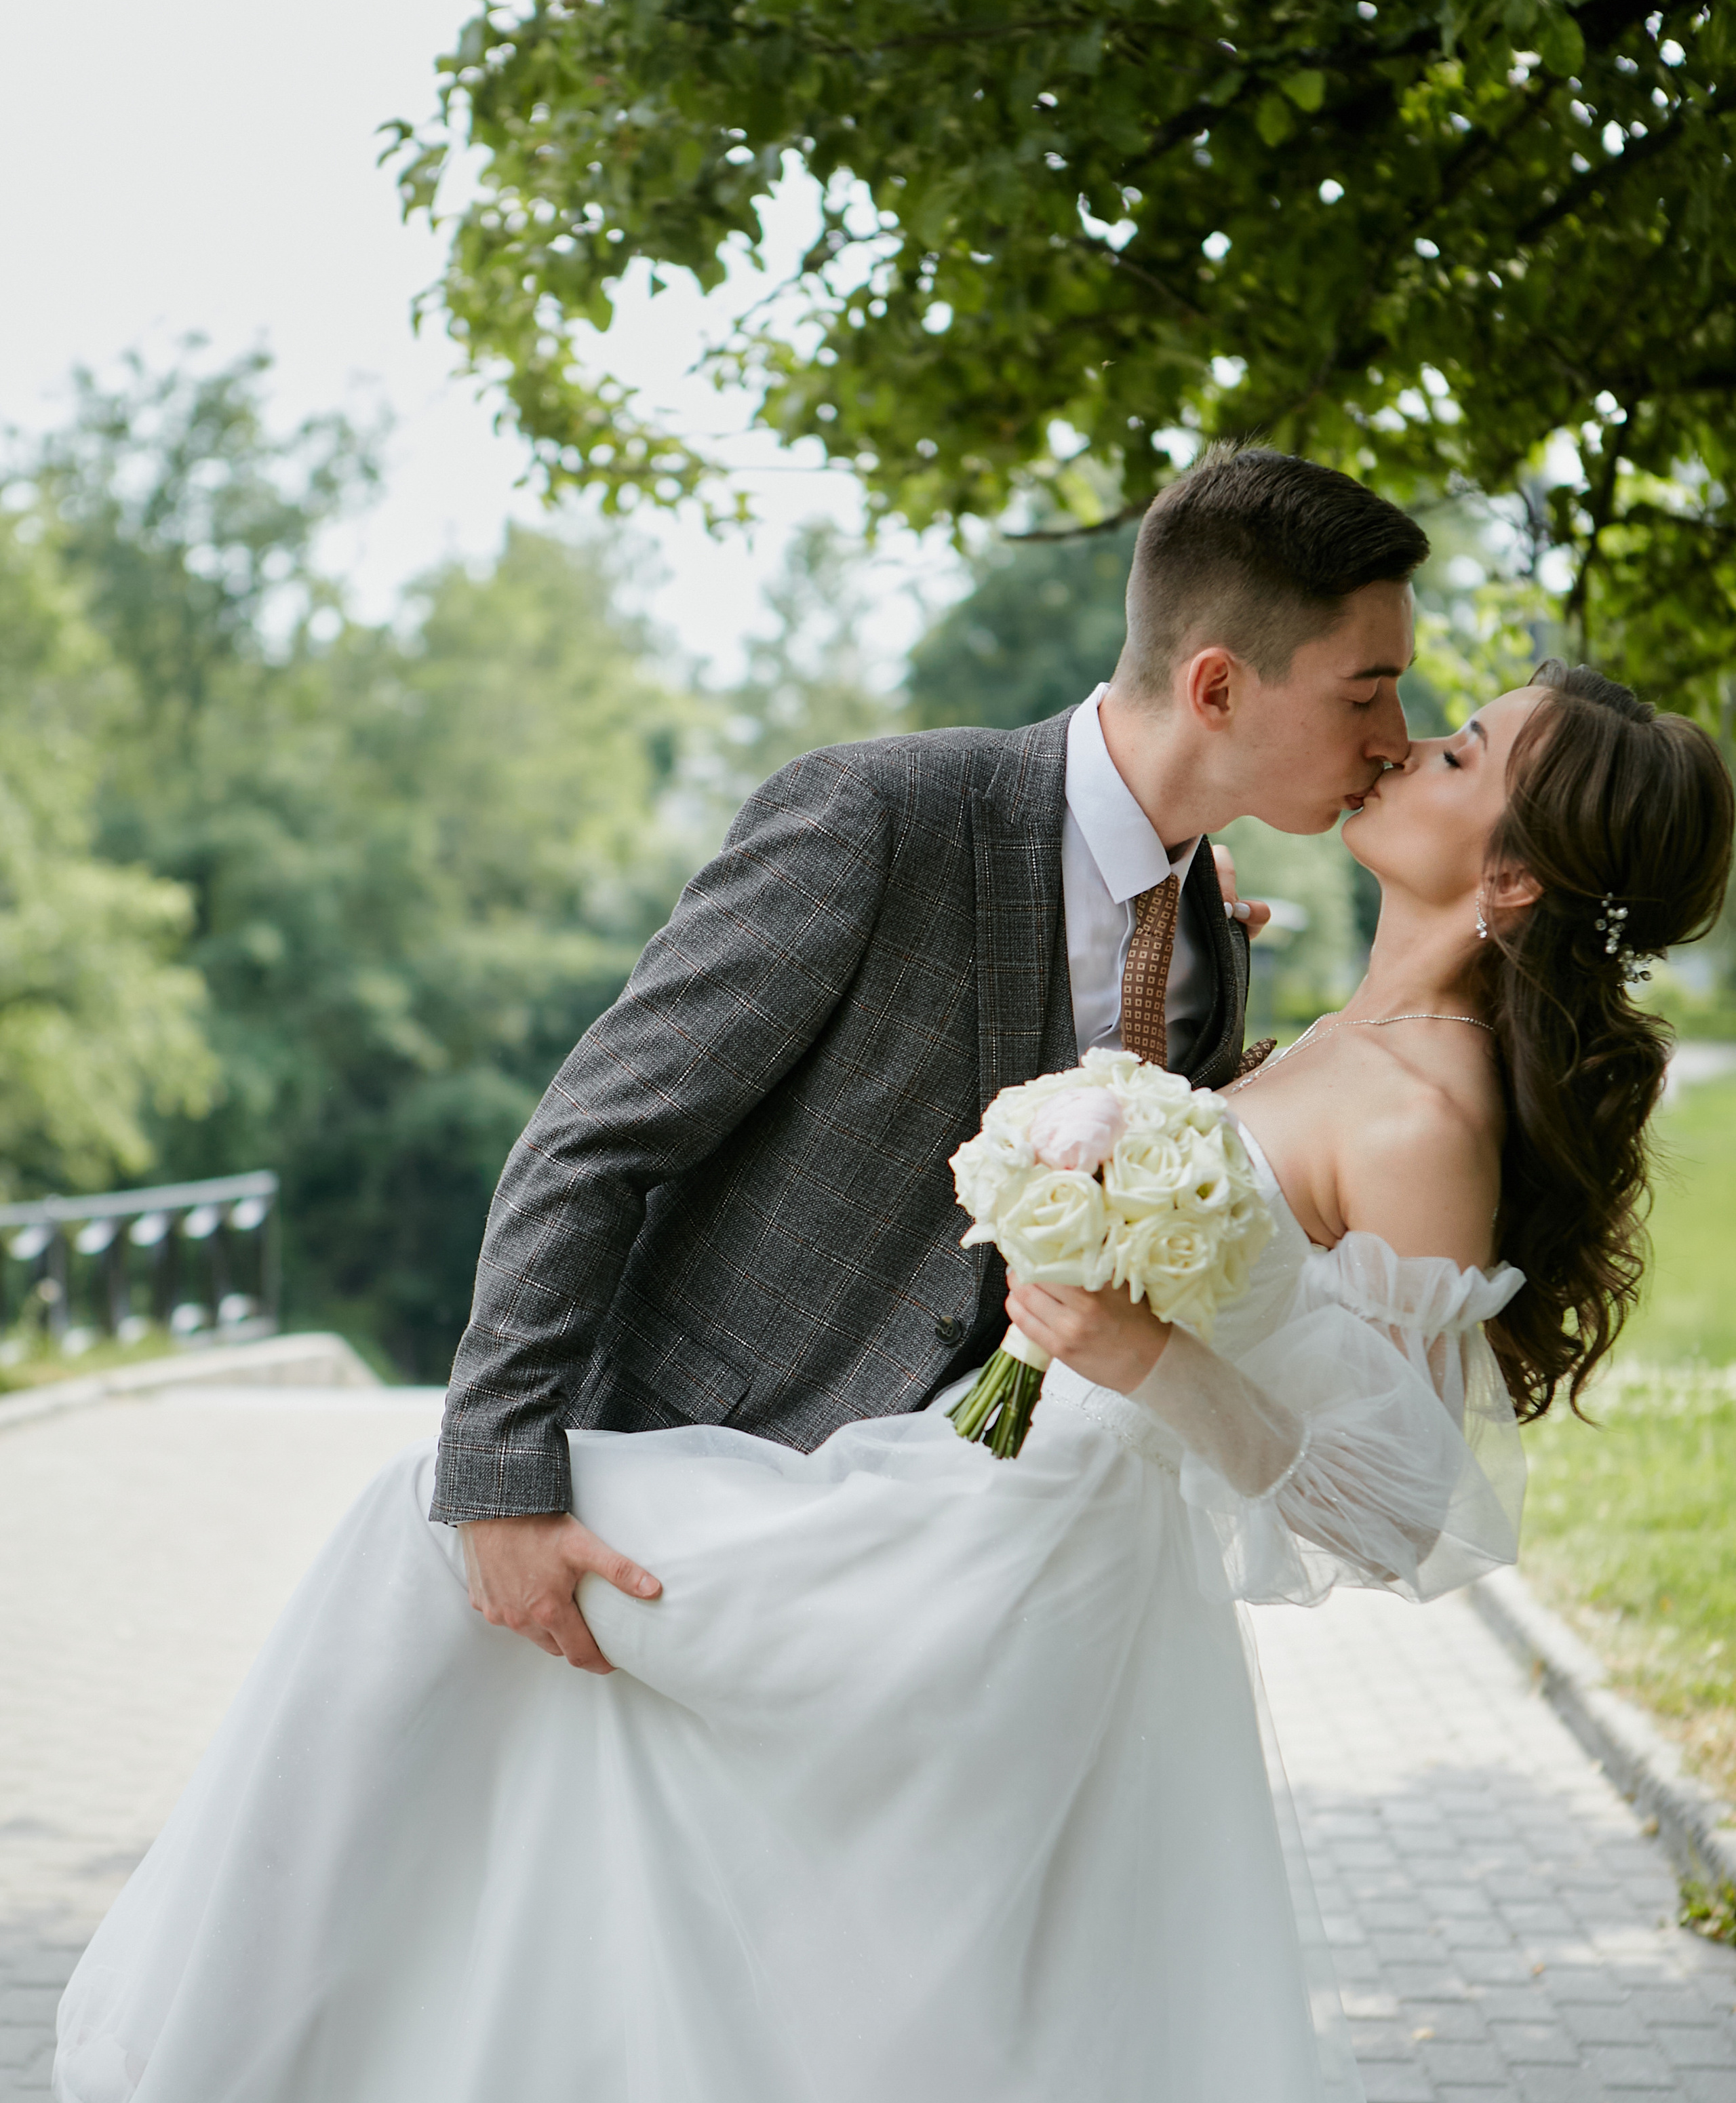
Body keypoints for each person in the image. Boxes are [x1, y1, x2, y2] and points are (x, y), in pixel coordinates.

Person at [54, 648, 1731, 2103]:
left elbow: (1398, 1505)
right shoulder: (1343, 1029)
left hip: (1025, 1577)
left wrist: (1150, 1357)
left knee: (463, 1541)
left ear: (1513, 883)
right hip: (957, 1496)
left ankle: (247, 2079)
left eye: (1470, 750)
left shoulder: (1426, 1109)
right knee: (800, 1975)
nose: (1419, 739)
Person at [436, 444, 1428, 1671]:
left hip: (940, 1572)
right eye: (1366, 690)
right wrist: (501, 1485)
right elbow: (595, 1134)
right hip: (679, 1493)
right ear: (1217, 688)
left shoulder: (1209, 931)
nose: (1395, 737)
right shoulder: (878, 818)